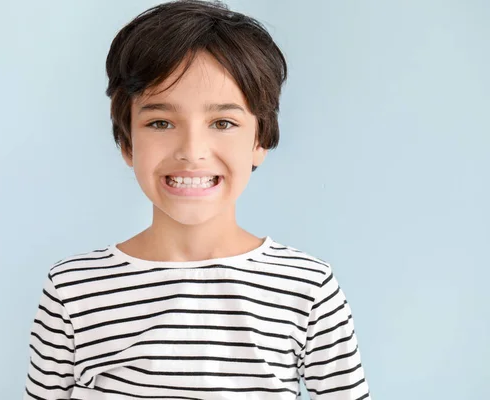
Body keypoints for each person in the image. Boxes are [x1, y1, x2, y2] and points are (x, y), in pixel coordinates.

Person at [23, 1, 371, 399]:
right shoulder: (73, 289)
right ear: (126, 143)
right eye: (160, 122)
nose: (192, 150)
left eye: (223, 123)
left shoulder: (307, 288)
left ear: (260, 140)